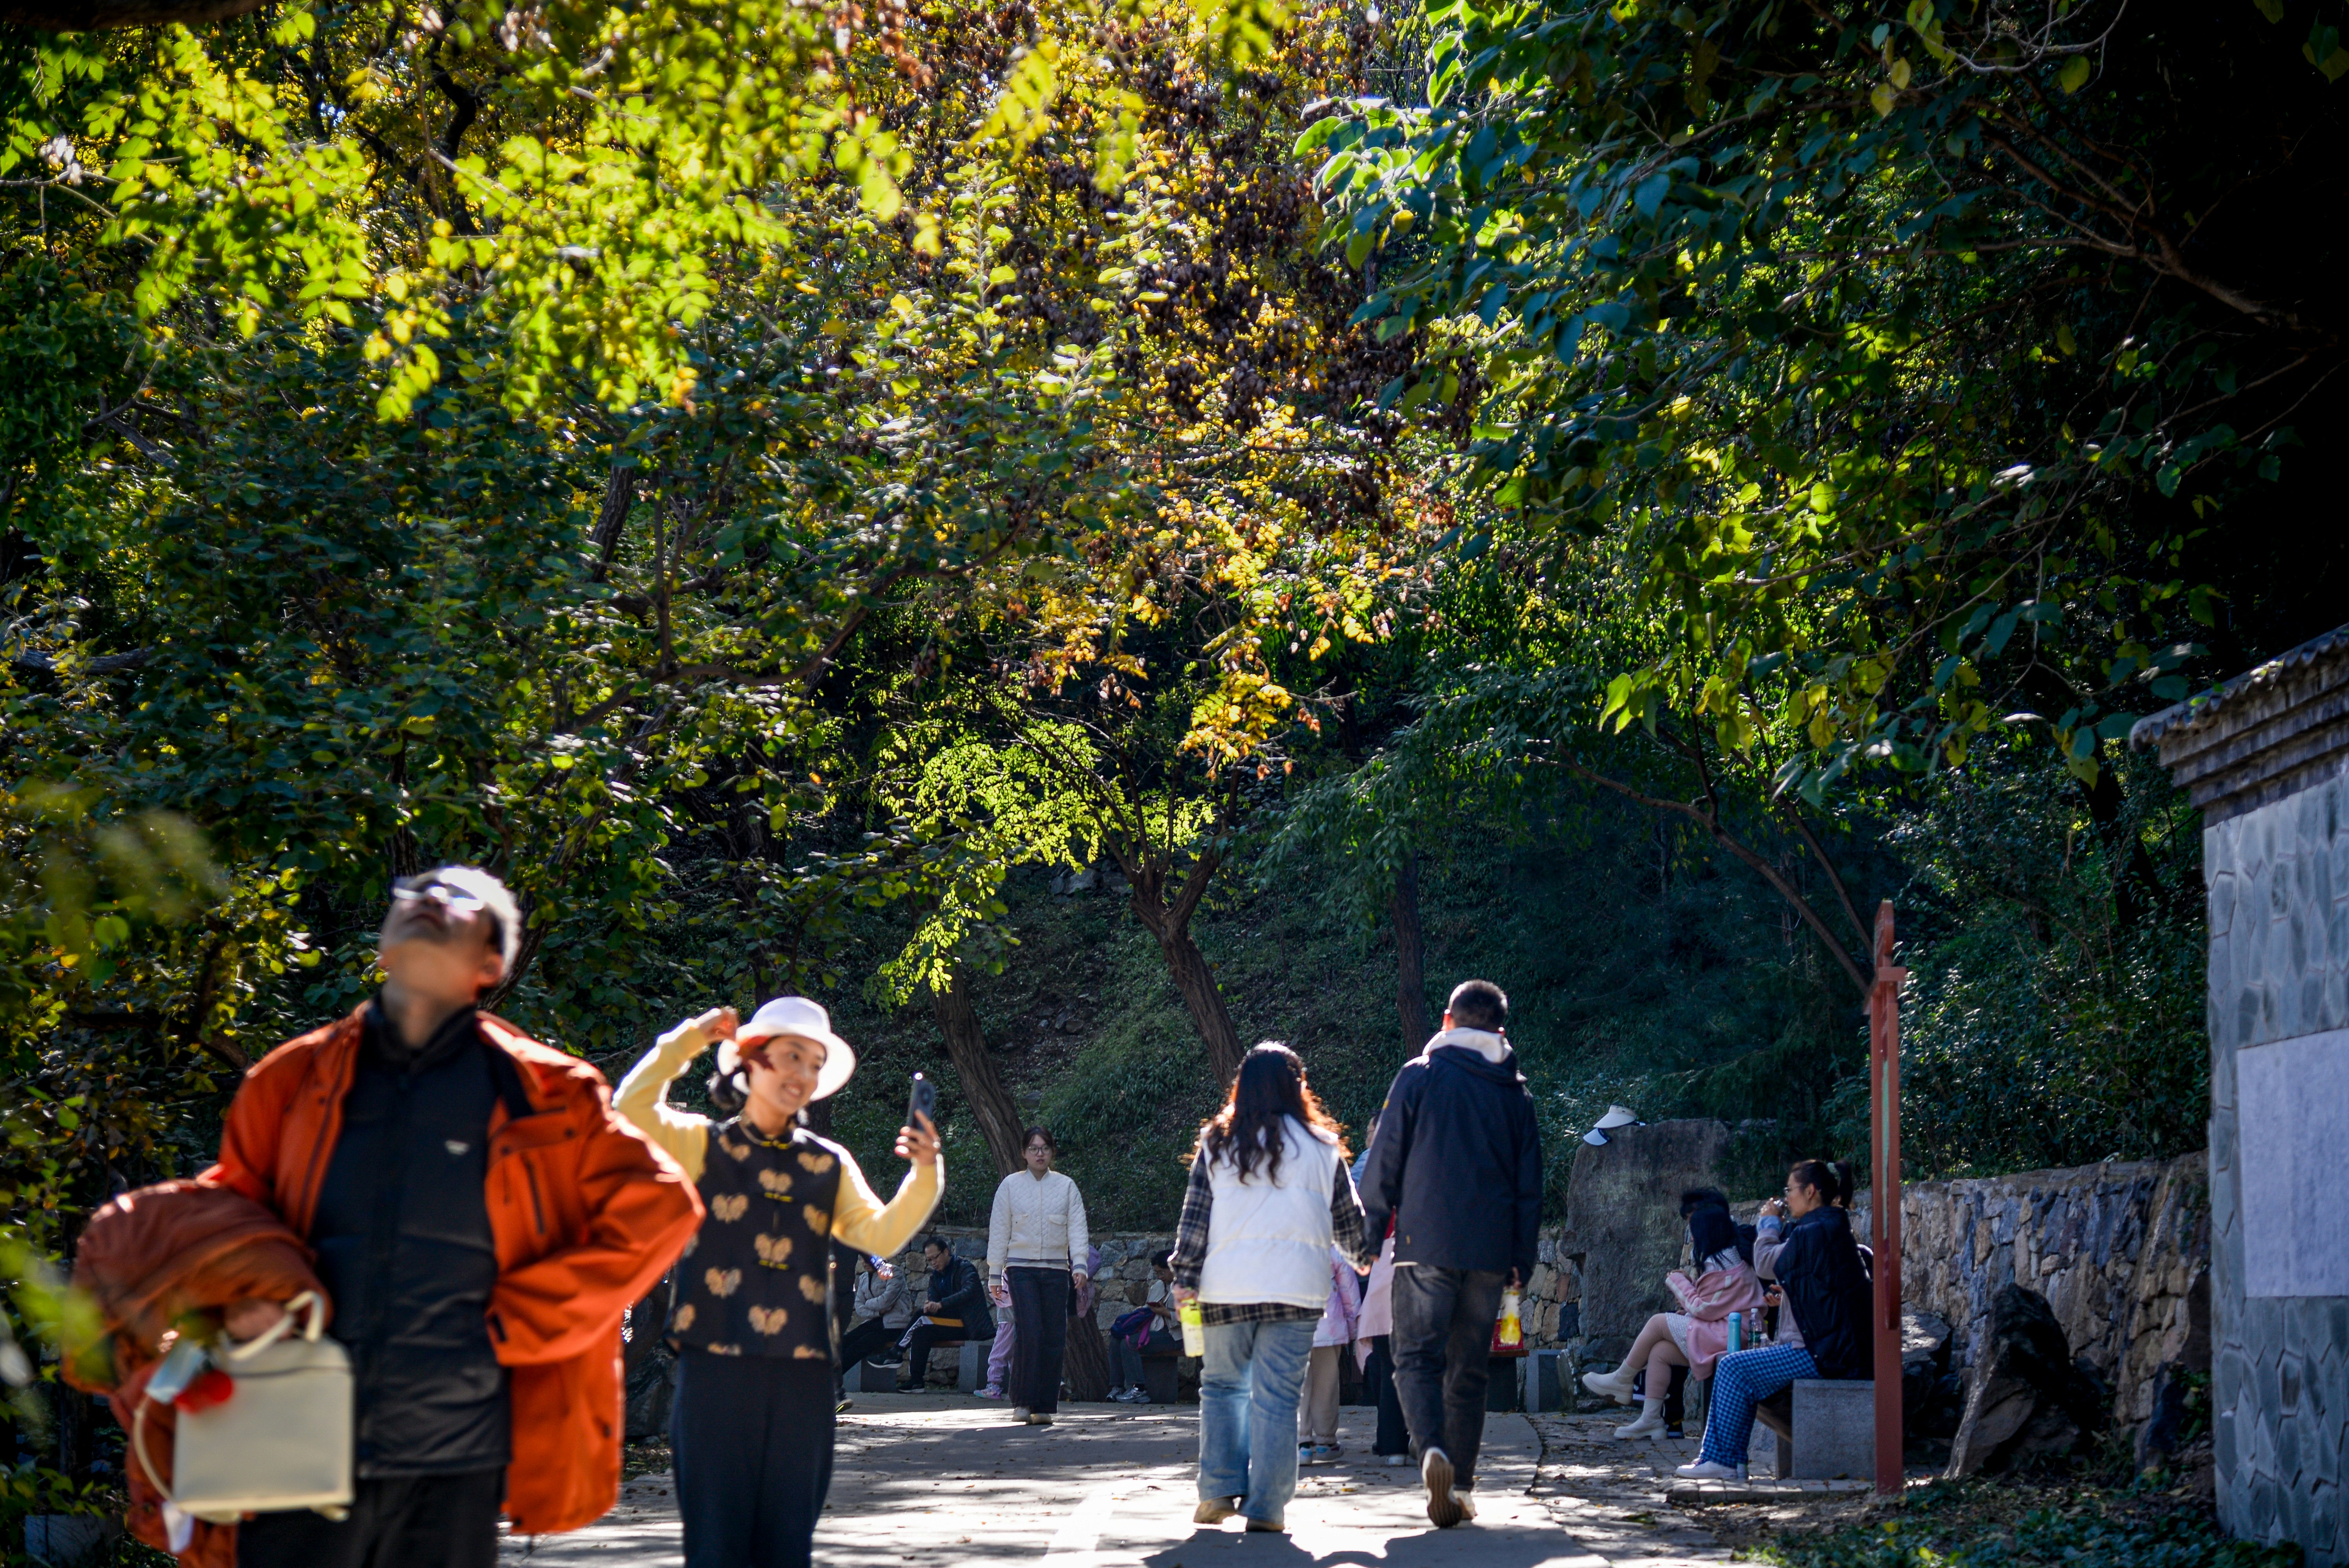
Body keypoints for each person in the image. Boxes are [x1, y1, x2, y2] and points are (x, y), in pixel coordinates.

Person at [207, 866, 704, 1567]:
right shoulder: (290, 1078)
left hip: (456, 1443)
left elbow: (663, 1206)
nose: (432, 904)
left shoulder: (549, 1090)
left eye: (459, 904)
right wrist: (244, 1293)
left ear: (491, 964)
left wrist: (521, 1320)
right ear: (382, 947)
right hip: (294, 1434)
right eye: (413, 900)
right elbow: (227, 1212)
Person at [613, 996, 943, 1567]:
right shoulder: (701, 1145)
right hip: (714, 1371)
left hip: (803, 1379)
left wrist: (925, 1173)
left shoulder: (829, 1163)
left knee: (788, 1547)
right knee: (716, 1546)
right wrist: (691, 1039)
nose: (803, 1075)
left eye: (814, 1064)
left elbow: (883, 1235)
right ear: (751, 1060)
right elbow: (632, 1107)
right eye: (792, 1057)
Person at [1356, 978, 1543, 1529]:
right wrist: (1521, 1258)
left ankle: (1431, 1449)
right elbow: (1529, 1184)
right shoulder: (1516, 1092)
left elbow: (1385, 1157)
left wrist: (1370, 1237)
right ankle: (1460, 1485)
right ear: (1500, 1031)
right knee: (1470, 1371)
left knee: (1415, 1358)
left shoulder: (1419, 1076)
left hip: (1423, 1246)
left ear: (1446, 1021)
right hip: (1488, 1253)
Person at [1171, 1042, 1374, 1535]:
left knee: (1221, 1387)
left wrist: (1184, 1276)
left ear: (1240, 1087)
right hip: (1296, 1292)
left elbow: (1195, 1221)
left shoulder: (1216, 1143)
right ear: (1297, 1087)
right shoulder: (1323, 1148)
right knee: (1278, 1396)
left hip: (1224, 1288)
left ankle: (1218, 1488)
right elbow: (1349, 1224)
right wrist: (1363, 1258)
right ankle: (1266, 1506)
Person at [1674, 1159, 1875, 1482]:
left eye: (1790, 1190)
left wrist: (1768, 1224)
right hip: (1831, 1347)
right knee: (1735, 1365)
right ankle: (1730, 1462)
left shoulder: (1816, 1230)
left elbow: (1766, 1263)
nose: (1787, 1198)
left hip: (1826, 1354)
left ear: (1810, 1192)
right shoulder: (1828, 1226)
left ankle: (1724, 1461)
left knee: (1733, 1366)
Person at [1580, 1204, 1763, 1438]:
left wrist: (1678, 1282)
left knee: (1658, 1322)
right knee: (1661, 1352)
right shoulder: (1727, 1261)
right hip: (1723, 1332)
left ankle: (1623, 1378)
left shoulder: (1724, 1264)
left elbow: (1702, 1308)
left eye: (1695, 1231)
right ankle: (1651, 1420)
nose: (1693, 1237)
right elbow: (1716, 1306)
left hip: (1731, 1336)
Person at [986, 1126, 1090, 1426]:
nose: (1039, 1153)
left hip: (1058, 1270)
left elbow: (1078, 1227)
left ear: (1052, 1152)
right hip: (1021, 1270)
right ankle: (1022, 1402)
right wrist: (995, 1272)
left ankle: (1044, 1406)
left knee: (1054, 1337)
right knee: (1030, 1332)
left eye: (1044, 1148)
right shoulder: (1010, 1186)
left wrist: (1080, 1264)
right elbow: (1000, 1229)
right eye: (1033, 1148)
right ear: (1023, 1153)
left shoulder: (1067, 1186)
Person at [898, 1235, 992, 1391]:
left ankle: (896, 1352)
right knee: (922, 1331)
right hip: (949, 1324)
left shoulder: (965, 1268)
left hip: (970, 1326)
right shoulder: (935, 1277)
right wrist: (932, 1306)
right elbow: (933, 1299)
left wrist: (941, 1305)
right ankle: (916, 1381)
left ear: (946, 1252)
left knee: (921, 1316)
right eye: (929, 1260)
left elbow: (968, 1292)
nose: (933, 1262)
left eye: (935, 1257)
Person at [1297, 1245, 1360, 1463]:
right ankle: (1326, 1443)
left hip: (1291, 1327)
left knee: (1298, 1386)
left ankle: (1302, 1444)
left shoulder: (1283, 1241)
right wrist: (1353, 1327)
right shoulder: (1333, 1249)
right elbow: (1349, 1292)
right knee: (1327, 1386)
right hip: (1329, 1327)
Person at [1110, 1251, 1179, 1403]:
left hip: (1176, 1335)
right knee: (1117, 1338)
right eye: (1157, 1273)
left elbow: (1193, 1317)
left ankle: (1139, 1388)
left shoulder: (1185, 1287)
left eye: (1163, 1272)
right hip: (1156, 1330)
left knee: (1130, 1343)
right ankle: (1117, 1386)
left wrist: (1167, 1313)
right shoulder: (1157, 1287)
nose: (1160, 1276)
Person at [836, 1253, 913, 1385]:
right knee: (847, 1340)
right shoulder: (864, 1278)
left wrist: (869, 1304)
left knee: (865, 1342)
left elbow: (887, 1300)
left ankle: (834, 1379)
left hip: (897, 1325)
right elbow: (859, 1307)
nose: (864, 1263)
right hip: (878, 1320)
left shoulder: (892, 1271)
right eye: (862, 1259)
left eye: (868, 1259)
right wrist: (877, 1312)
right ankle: (824, 1373)